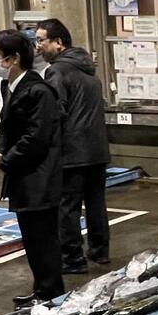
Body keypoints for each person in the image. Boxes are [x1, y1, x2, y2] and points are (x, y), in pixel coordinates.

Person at [0, 29, 65, 306]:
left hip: (39, 177)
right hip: (23, 176)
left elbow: (36, 138)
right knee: (32, 240)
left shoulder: (39, 91)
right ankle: (42, 290)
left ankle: (51, 294)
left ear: (14, 57)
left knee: (43, 241)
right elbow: (7, 129)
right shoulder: (10, 85)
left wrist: (5, 160)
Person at [35, 18, 110, 274]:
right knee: (96, 203)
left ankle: (73, 259)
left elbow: (55, 112)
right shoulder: (89, 70)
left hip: (72, 152)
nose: (38, 47)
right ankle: (100, 252)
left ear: (58, 42)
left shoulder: (57, 71)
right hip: (97, 150)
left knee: (67, 208)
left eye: (41, 40)